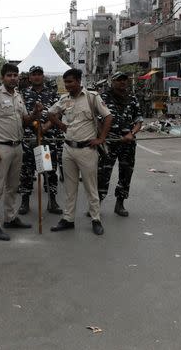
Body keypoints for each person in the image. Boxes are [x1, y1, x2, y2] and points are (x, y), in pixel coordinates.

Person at [44, 68, 111, 235]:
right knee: (70, 188)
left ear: (79, 81)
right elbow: (51, 113)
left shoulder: (91, 97)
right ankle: (68, 219)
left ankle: (96, 219)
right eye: (65, 82)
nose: (67, 85)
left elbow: (108, 117)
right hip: (68, 149)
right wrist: (61, 126)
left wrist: (101, 139)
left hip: (87, 150)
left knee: (91, 187)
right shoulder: (65, 100)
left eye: (70, 82)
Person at [0, 64, 42, 240]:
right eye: (9, 75)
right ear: (2, 78)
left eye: (15, 75)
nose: (13, 78)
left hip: (17, 147)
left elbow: (26, 121)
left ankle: (10, 217)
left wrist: (35, 112)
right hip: (1, 147)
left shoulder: (18, 96)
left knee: (13, 186)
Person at [18, 65, 62, 216]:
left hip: (47, 139)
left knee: (49, 170)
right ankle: (25, 201)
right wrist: (36, 125)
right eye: (34, 74)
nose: (37, 77)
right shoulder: (22, 95)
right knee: (27, 171)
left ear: (43, 76)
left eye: (39, 74)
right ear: (29, 78)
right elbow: (22, 116)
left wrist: (45, 127)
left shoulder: (52, 94)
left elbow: (58, 114)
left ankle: (52, 201)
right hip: (29, 138)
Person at [98, 72, 143, 217]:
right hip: (109, 142)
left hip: (128, 143)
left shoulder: (132, 98)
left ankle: (120, 204)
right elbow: (98, 120)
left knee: (126, 173)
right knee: (103, 173)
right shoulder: (103, 98)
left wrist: (132, 134)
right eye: (119, 80)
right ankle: (96, 205)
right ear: (112, 82)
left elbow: (139, 120)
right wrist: (103, 136)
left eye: (125, 79)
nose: (122, 82)